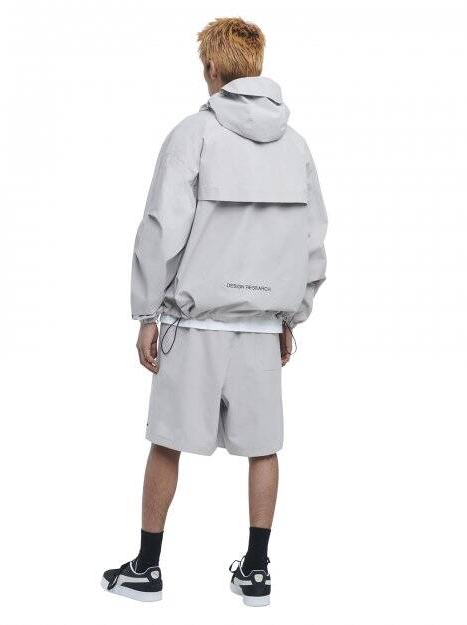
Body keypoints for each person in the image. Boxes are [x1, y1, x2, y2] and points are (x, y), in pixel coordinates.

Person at [102, 16, 327, 607]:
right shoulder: (296, 146)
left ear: (209, 67)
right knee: (263, 447)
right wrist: (290, 315)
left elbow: (161, 228)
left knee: (166, 443)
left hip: (195, 322)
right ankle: (257, 570)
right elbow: (312, 241)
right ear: (255, 65)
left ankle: (147, 567)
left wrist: (146, 312)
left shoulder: (192, 135)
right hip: (261, 326)